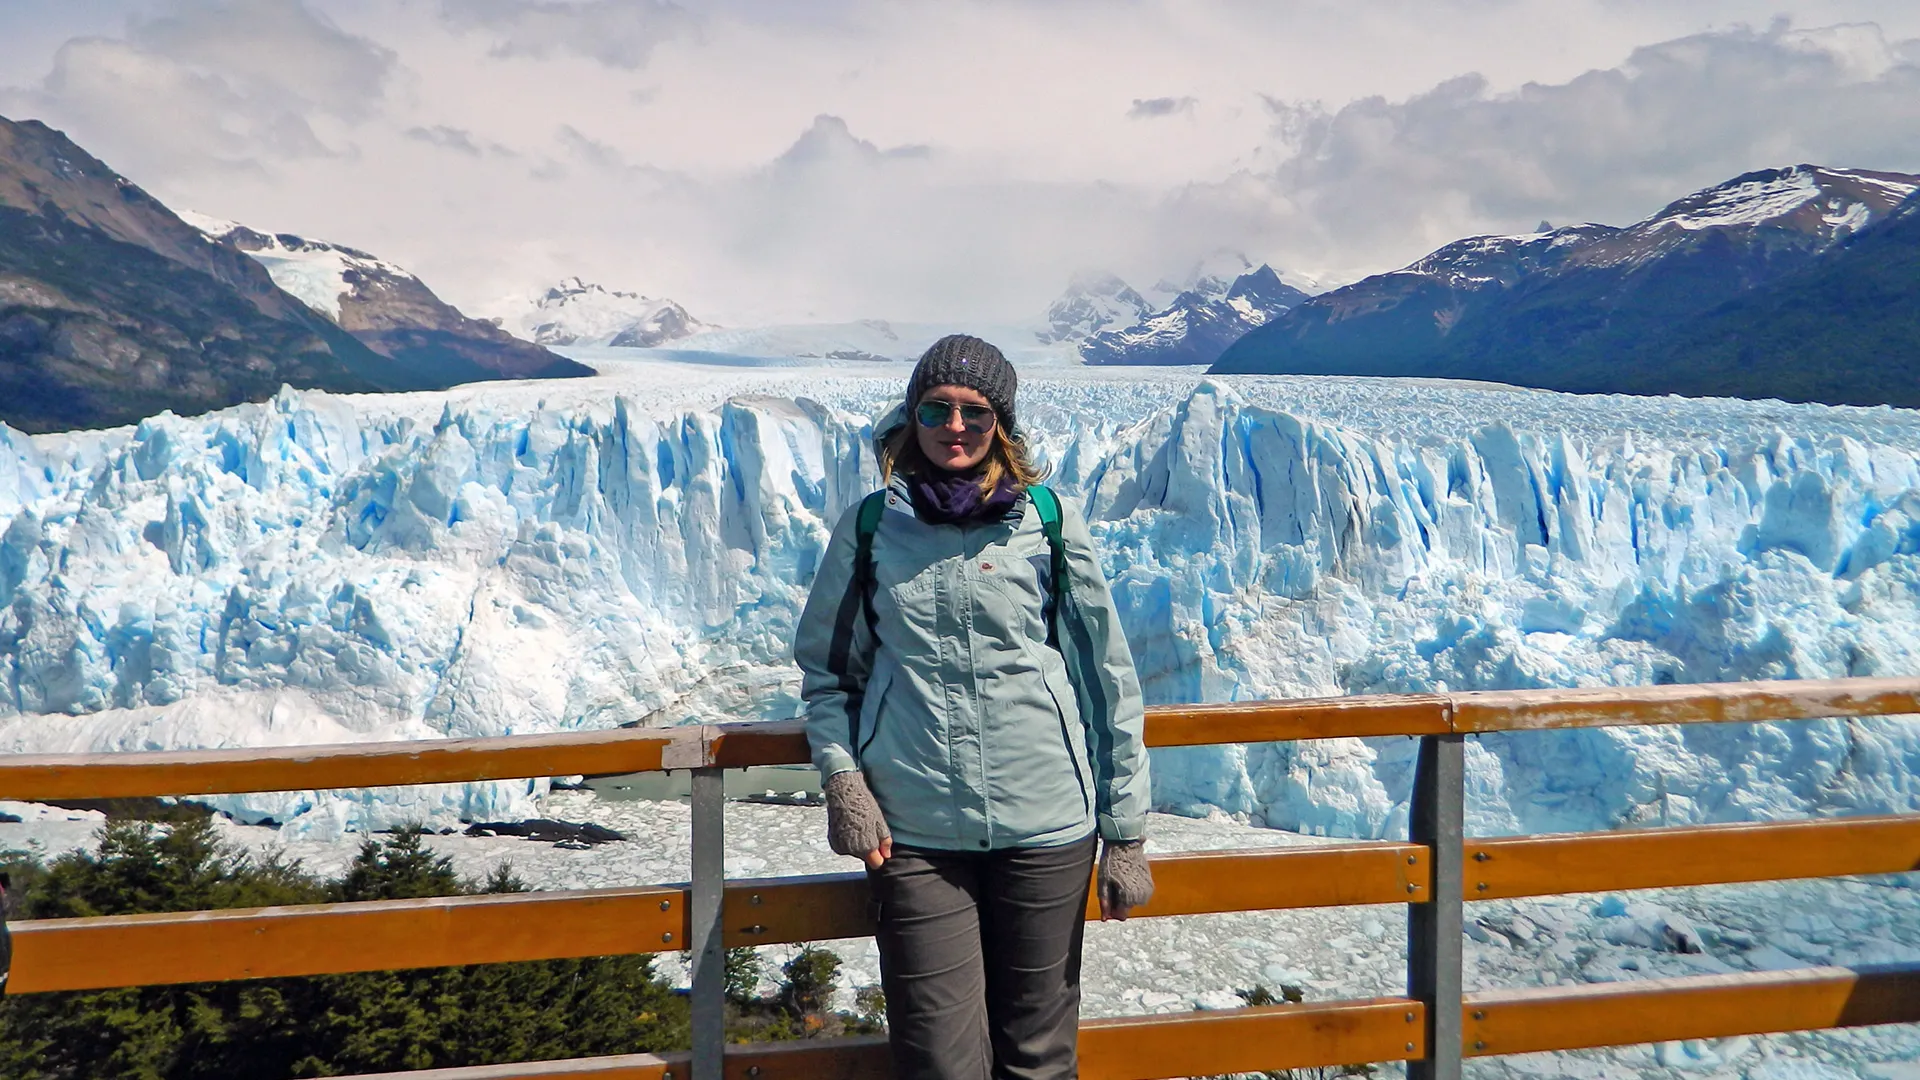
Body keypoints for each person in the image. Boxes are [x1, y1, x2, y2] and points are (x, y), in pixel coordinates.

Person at [794, 334, 1153, 1080]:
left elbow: (1105, 680)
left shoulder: (1048, 521)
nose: (954, 427)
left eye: (975, 412)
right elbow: (830, 677)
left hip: (1047, 827)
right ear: (912, 416)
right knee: (939, 1061)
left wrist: (1125, 833)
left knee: (1038, 1056)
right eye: (937, 408)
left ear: (1001, 423)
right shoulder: (870, 528)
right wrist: (842, 779)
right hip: (916, 832)